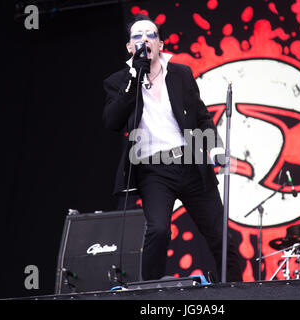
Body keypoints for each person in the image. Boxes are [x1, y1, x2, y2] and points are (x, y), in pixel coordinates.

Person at [103, 14, 240, 283]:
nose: (144, 40)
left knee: (220, 234)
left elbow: (201, 117)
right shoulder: (119, 81)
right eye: (137, 36)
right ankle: (150, 292)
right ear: (130, 47)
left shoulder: (181, 74)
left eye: (150, 35)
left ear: (161, 44)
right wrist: (135, 76)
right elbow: (112, 121)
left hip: (190, 162)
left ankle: (236, 289)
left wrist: (213, 149)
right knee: (159, 231)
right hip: (153, 169)